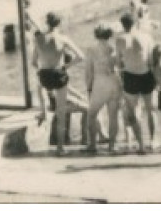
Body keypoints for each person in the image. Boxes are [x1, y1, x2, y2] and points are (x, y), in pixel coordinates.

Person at [31, 11, 85, 154]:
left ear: (46, 22)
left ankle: (42, 111)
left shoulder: (38, 39)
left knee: (39, 84)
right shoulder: (63, 39)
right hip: (58, 74)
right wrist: (65, 66)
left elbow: (33, 62)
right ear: (59, 24)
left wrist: (43, 68)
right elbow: (81, 56)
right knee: (60, 112)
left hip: (44, 75)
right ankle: (60, 148)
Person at [115, 12, 156, 152]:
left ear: (122, 25)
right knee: (151, 110)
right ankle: (154, 141)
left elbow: (119, 63)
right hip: (146, 74)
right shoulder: (146, 37)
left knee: (134, 112)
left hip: (130, 76)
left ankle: (141, 145)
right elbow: (152, 60)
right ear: (136, 23)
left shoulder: (119, 39)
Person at [83, 25, 121, 153]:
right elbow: (120, 65)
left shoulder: (91, 49)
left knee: (91, 115)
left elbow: (89, 71)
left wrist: (88, 87)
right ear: (109, 35)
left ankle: (93, 145)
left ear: (96, 35)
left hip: (100, 82)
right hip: (114, 81)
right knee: (113, 116)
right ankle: (112, 145)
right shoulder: (113, 48)